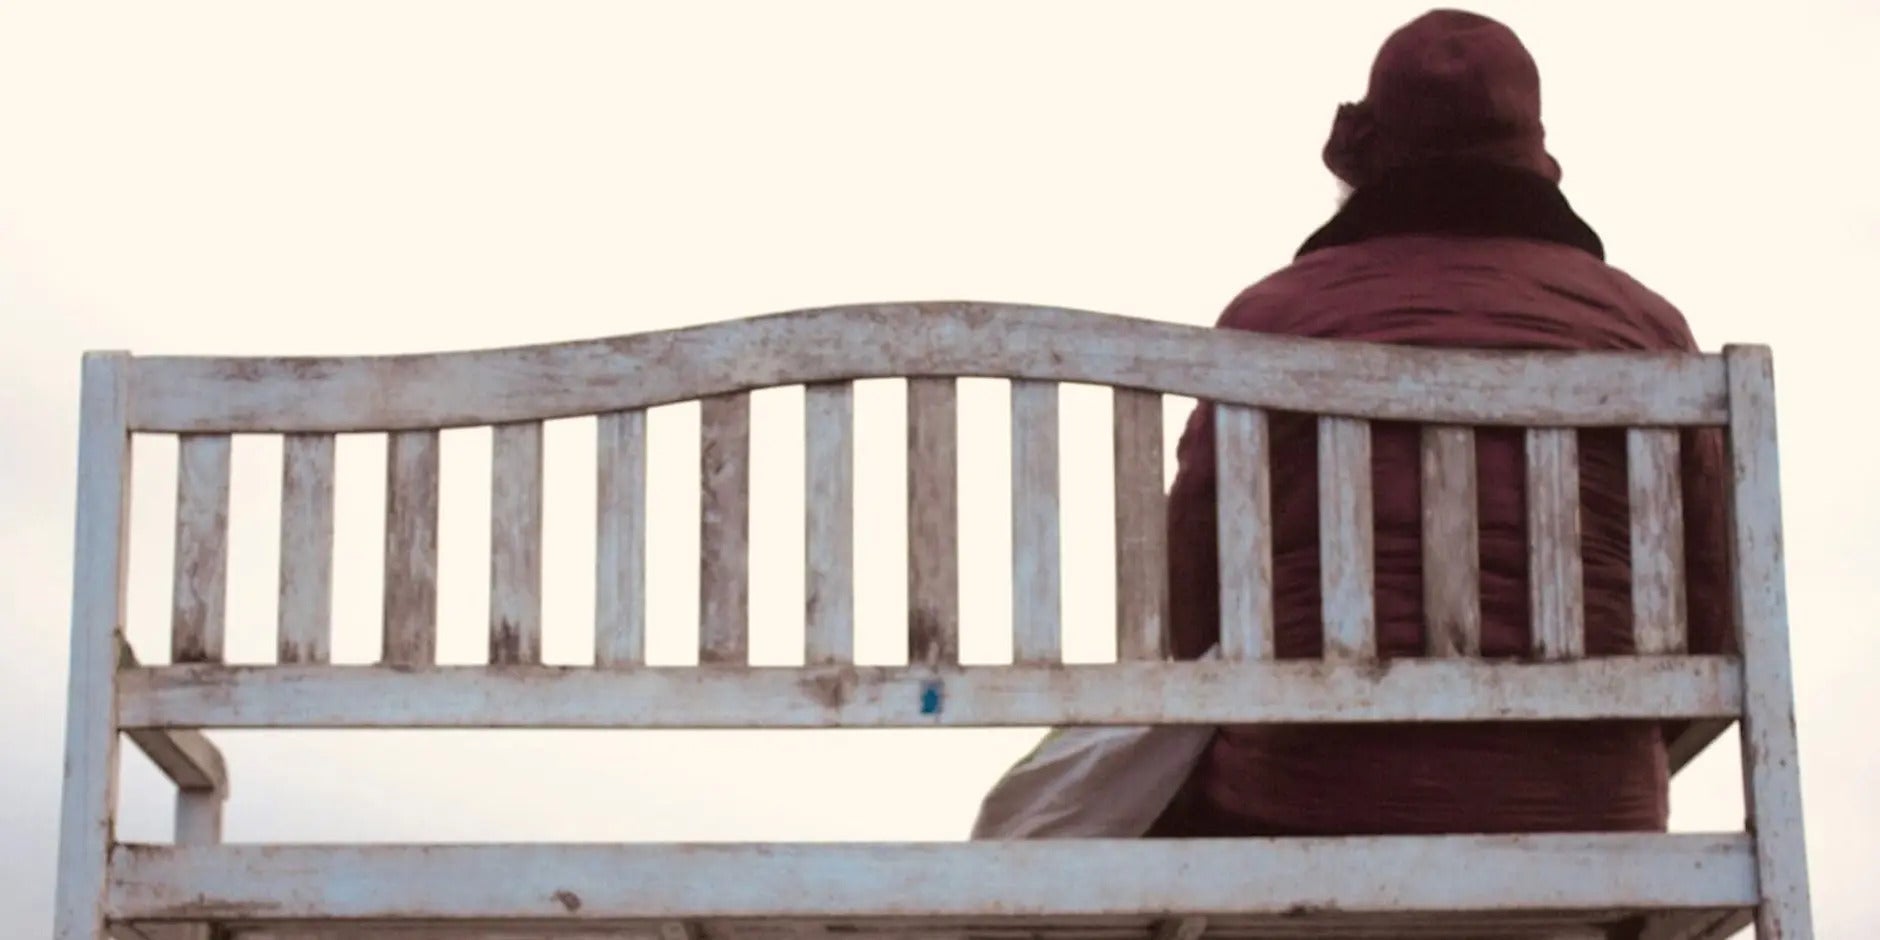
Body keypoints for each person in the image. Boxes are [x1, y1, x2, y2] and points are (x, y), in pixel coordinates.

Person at [1147, 8, 1733, 838]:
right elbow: (1710, 623)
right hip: (1590, 804)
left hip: (1305, 796)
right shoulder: (1648, 331)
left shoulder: (1267, 322)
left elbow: (1193, 614)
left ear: (1372, 160)